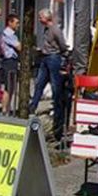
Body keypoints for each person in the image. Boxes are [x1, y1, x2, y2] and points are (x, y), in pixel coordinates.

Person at [28, 9, 69, 139]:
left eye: (41, 17)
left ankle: (57, 107)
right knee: (39, 82)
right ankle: (33, 105)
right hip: (45, 57)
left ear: (47, 18)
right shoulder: (46, 29)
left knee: (55, 85)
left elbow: (62, 44)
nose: (39, 19)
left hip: (53, 57)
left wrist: (61, 52)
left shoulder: (55, 29)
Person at [0, 14, 21, 114]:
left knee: (11, 86)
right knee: (9, 86)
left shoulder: (10, 34)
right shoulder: (8, 34)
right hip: (10, 62)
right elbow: (19, 47)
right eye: (16, 23)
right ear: (10, 22)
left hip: (11, 61)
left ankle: (7, 107)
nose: (18, 25)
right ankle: (4, 109)